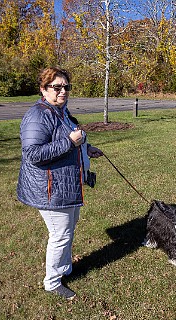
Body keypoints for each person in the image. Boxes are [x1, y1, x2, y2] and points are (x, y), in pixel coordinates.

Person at [17, 67, 103, 300]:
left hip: (66, 186)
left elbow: (70, 140)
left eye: (66, 86)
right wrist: (69, 142)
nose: (63, 91)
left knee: (67, 229)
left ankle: (65, 269)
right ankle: (52, 282)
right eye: (57, 87)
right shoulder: (38, 115)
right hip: (51, 190)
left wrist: (86, 148)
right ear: (44, 89)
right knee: (60, 234)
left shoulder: (60, 111)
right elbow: (33, 154)